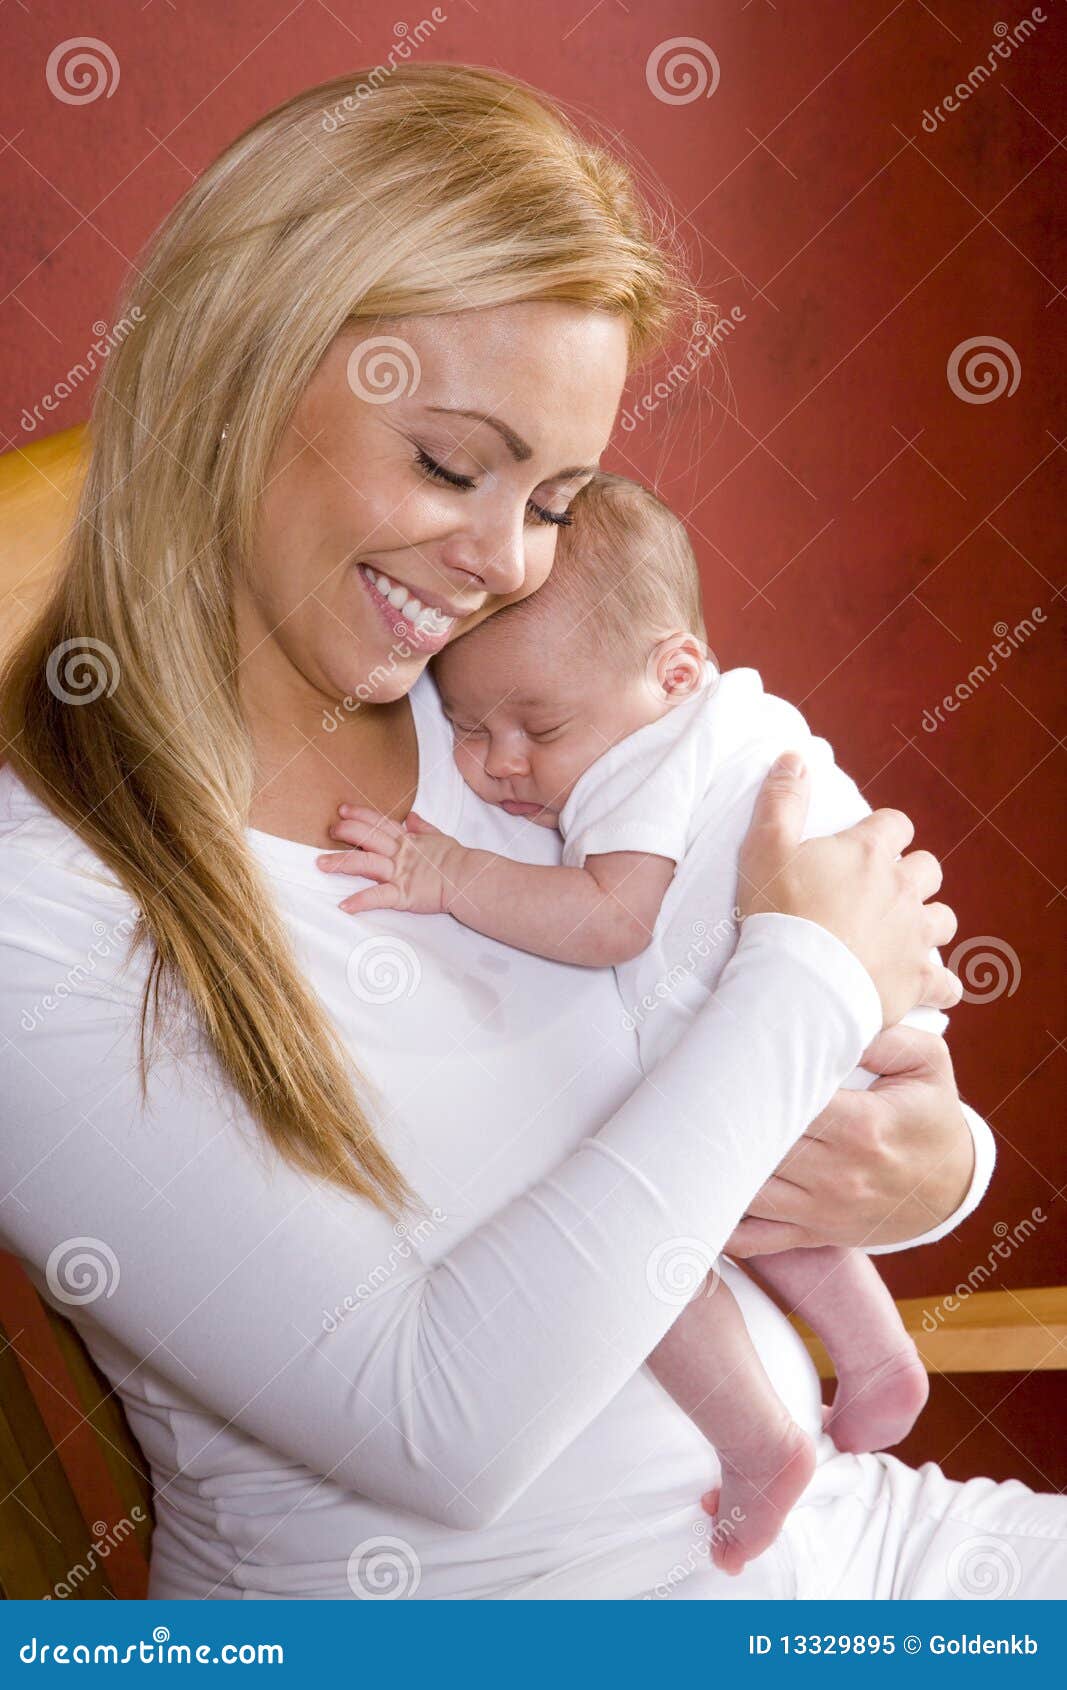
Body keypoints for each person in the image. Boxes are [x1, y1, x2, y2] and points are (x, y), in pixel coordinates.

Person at [0, 65, 1057, 1601]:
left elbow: (829, 1056)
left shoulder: (501, 720)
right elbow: (435, 1425)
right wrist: (811, 975)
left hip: (842, 1549)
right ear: (232, 376)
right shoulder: (45, 900)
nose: (502, 562)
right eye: (447, 463)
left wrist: (930, 1167)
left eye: (555, 495)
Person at [319, 471, 945, 1575]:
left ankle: (756, 1443)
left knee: (623, 1241)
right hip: (853, 1028)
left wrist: (447, 869)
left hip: (791, 1010)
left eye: (536, 727)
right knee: (738, 1202)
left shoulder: (653, 754)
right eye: (471, 728)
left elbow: (612, 918)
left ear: (674, 672)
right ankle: (874, 1351)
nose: (501, 762)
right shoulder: (727, 714)